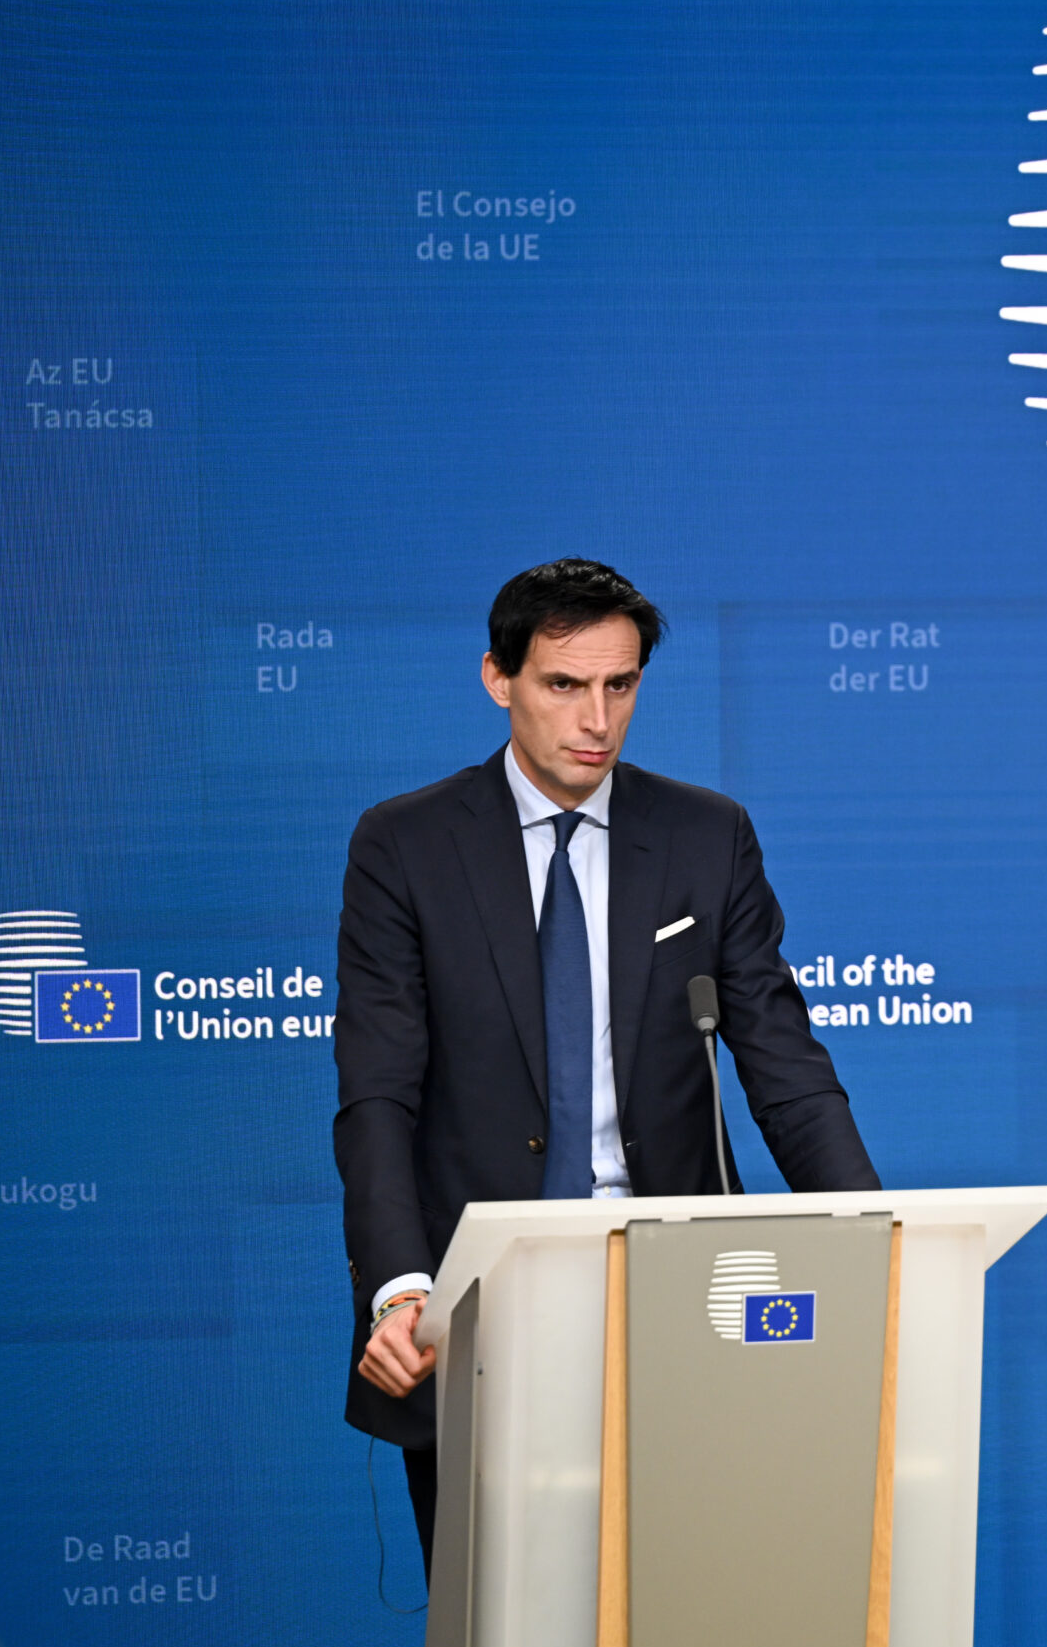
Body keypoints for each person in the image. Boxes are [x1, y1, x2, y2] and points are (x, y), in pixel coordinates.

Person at [333, 558, 882, 1572]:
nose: (596, 719)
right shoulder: (405, 846)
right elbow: (377, 1093)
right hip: (483, 1305)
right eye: (564, 684)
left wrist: (873, 1242)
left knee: (699, 1603)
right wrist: (403, 1291)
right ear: (498, 678)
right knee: (502, 1615)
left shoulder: (706, 836)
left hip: (683, 1299)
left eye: (619, 685)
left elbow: (784, 1063)